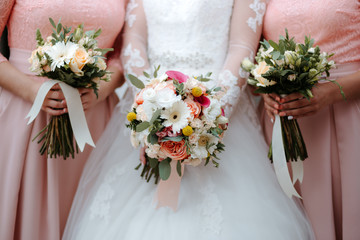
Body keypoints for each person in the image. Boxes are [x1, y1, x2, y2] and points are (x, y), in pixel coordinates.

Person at [63, 0, 314, 239]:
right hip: (150, 105)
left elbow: (242, 49)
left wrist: (207, 119)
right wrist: (149, 111)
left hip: (220, 108)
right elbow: (133, 43)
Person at [0, 0, 125, 239]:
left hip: (96, 121)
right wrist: (31, 90)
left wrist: (104, 86)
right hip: (27, 113)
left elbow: (124, 52)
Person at [260, 0, 360, 239]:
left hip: (347, 113)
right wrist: (264, 90)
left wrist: (334, 91)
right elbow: (252, 52)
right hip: (285, 125)